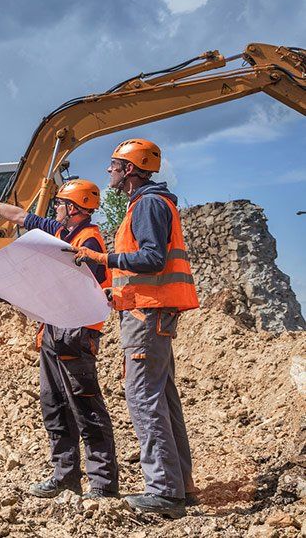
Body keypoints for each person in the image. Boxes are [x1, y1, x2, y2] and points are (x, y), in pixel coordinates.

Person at [0, 179, 119, 500]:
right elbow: (20, 216)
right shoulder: (57, 232)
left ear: (73, 209)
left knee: (85, 405)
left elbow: (90, 286)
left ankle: (102, 485)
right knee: (54, 404)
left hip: (76, 330)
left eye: (60, 203)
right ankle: (65, 477)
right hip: (52, 328)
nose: (55, 207)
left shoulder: (91, 240)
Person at [66, 139, 199, 518]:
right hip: (147, 311)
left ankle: (164, 491)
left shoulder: (148, 204)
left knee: (143, 397)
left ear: (129, 169)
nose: (107, 171)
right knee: (163, 397)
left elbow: (152, 258)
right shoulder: (149, 203)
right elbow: (143, 267)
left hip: (148, 316)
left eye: (112, 165)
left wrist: (102, 257)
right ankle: (179, 486)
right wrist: (116, 294)